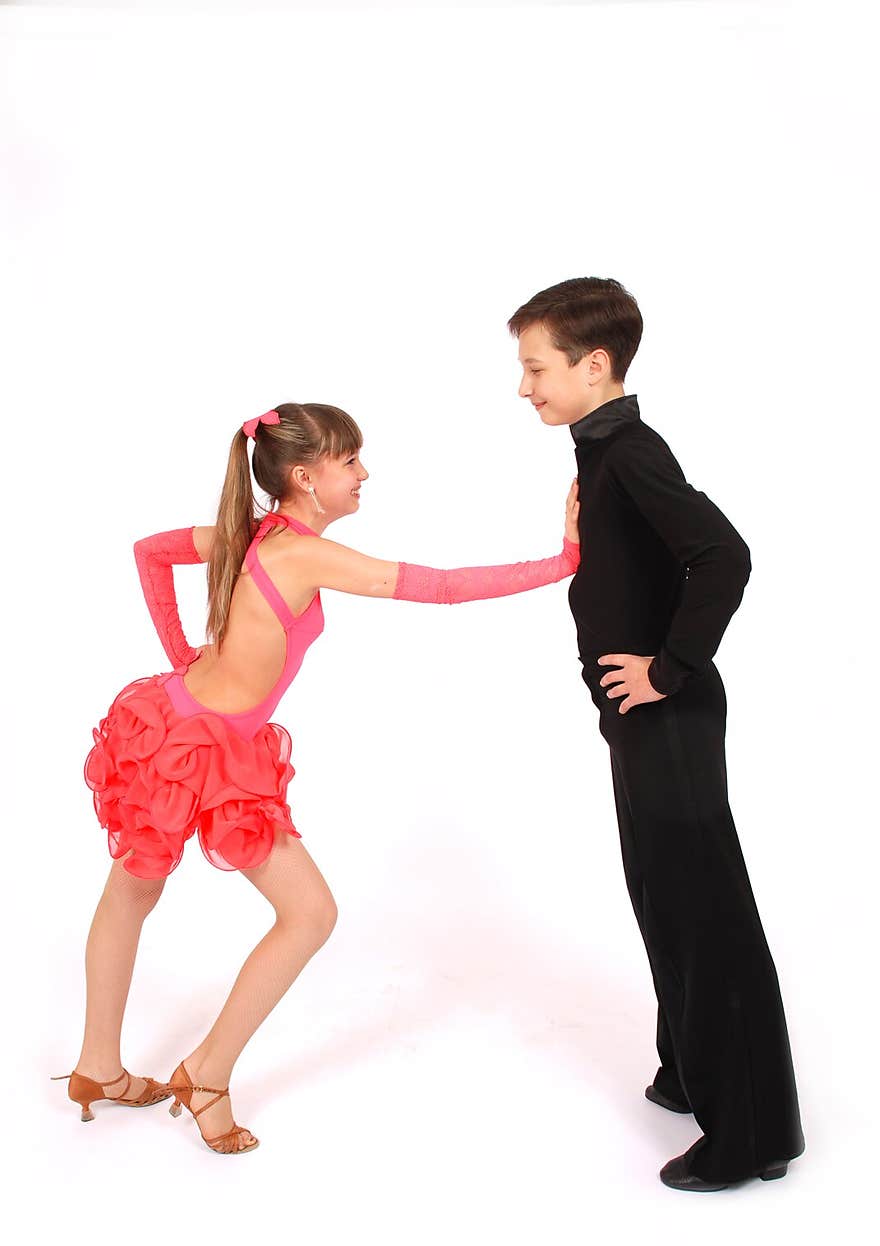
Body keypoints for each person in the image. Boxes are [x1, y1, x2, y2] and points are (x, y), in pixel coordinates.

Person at [56, 403, 580, 1154]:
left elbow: (150, 551)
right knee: (308, 914)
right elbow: (442, 587)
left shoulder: (254, 531)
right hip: (199, 750)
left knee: (133, 893)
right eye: (351, 460)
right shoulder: (301, 553)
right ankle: (201, 1072)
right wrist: (562, 561)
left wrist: (182, 659)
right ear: (305, 476)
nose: (364, 473)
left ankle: (98, 1067)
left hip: (172, 727)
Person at [508, 277, 805, 1192]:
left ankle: (750, 1133)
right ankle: (689, 1067)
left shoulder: (630, 449)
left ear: (595, 366)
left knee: (703, 915)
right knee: (661, 899)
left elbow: (725, 554)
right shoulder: (600, 454)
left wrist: (668, 669)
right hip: (635, 721)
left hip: (667, 716)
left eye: (536, 367)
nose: (524, 387)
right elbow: (628, 573)